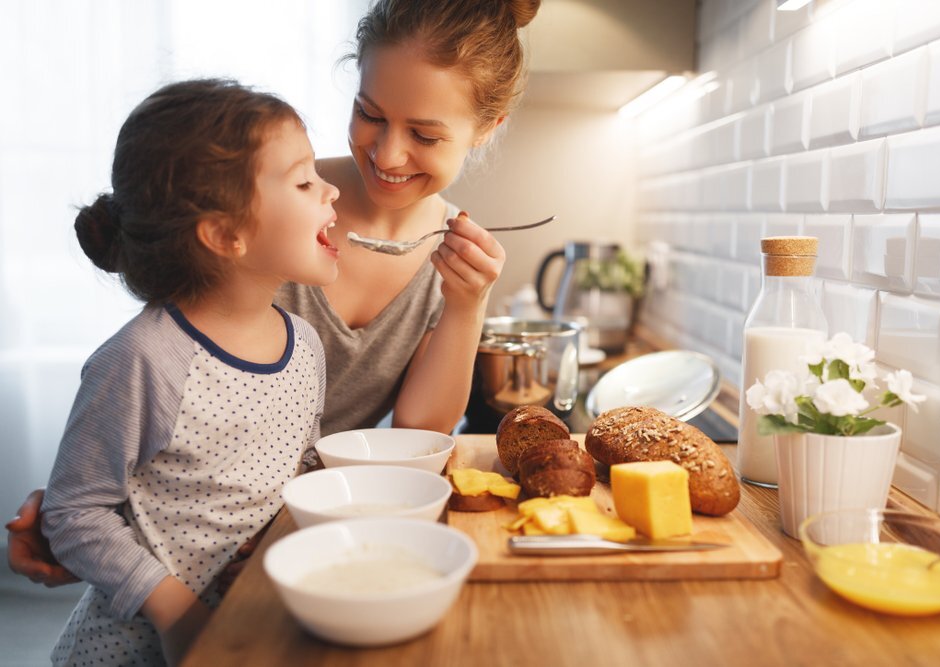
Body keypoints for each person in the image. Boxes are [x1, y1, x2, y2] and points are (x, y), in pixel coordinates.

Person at [7, 0, 541, 592]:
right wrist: (82, 506)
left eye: (424, 134)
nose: (388, 155)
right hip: (188, 543)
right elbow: (162, 380)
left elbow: (414, 434)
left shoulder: (448, 261)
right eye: (369, 114)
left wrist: (467, 306)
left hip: (304, 536)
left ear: (487, 129)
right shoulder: (270, 215)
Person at [37, 78, 340, 666]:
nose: (331, 189)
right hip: (133, 650)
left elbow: (299, 470)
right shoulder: (143, 359)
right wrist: (177, 611)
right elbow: (73, 514)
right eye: (304, 182)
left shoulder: (304, 345)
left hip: (249, 629)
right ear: (226, 235)